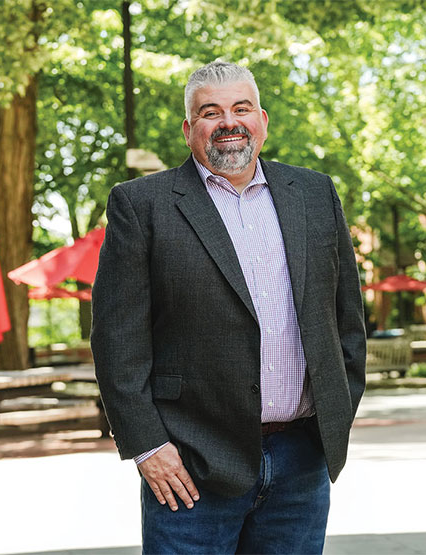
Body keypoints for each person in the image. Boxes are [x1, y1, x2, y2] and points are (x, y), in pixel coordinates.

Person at [91, 60, 366, 554]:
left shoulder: (315, 193)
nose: (228, 122)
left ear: (262, 119)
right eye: (210, 112)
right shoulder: (142, 205)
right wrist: (148, 446)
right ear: (189, 129)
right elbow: (116, 340)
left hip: (301, 460)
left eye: (241, 108)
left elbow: (347, 318)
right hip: (190, 467)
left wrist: (336, 412)